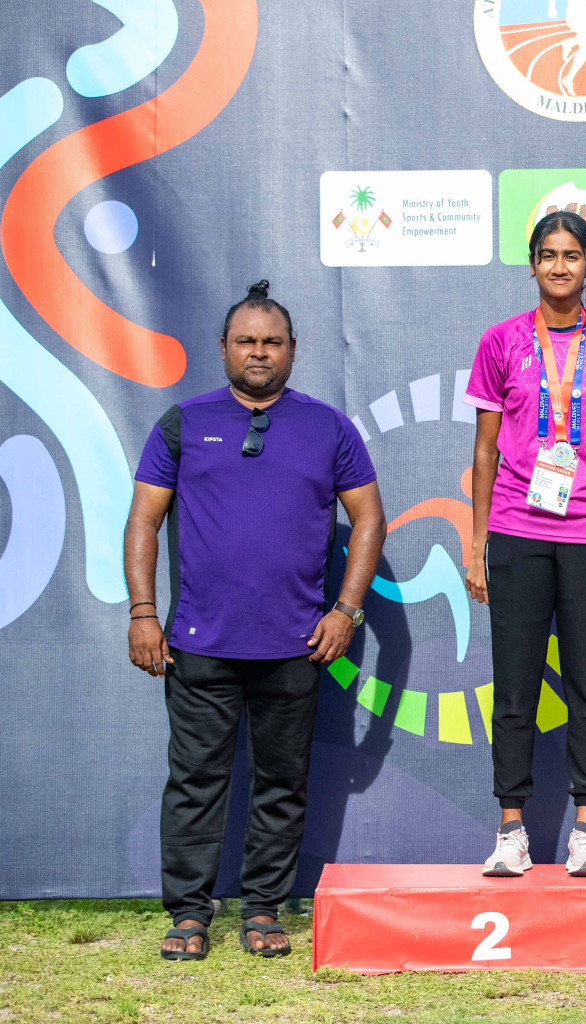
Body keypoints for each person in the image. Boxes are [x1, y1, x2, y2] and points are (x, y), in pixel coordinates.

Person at [125, 281, 385, 959]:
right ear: (223, 349)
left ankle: (264, 910)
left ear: (292, 350)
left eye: (272, 341)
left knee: (281, 784)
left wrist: (346, 612)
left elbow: (369, 520)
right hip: (198, 647)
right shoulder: (182, 423)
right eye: (247, 341)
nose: (259, 352)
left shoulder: (328, 428)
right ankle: (188, 913)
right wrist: (143, 612)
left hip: (294, 648)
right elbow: (143, 521)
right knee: (194, 784)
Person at [463, 211, 586, 877]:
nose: (561, 266)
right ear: (533, 264)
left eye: (573, 255)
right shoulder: (502, 342)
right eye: (548, 254)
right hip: (516, 526)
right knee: (513, 687)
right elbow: (485, 449)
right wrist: (478, 538)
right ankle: (511, 828)